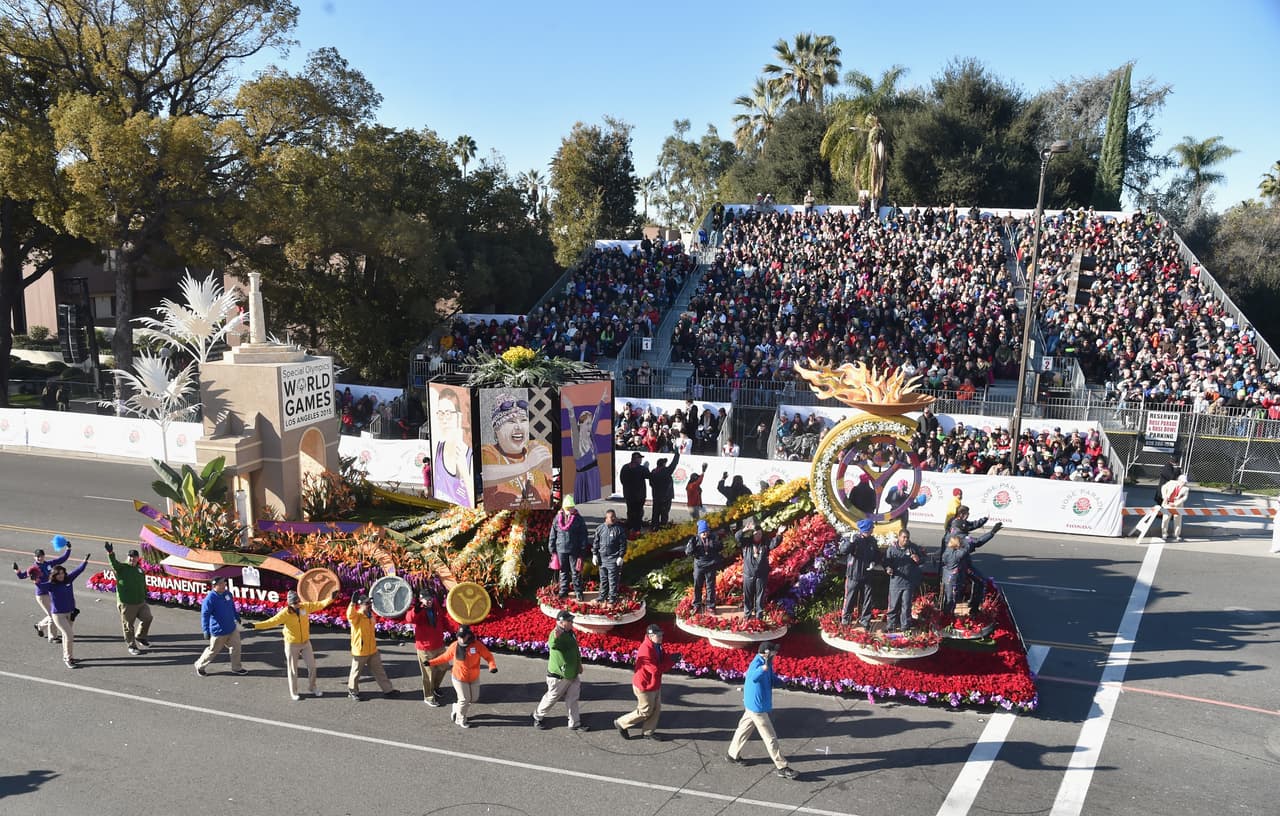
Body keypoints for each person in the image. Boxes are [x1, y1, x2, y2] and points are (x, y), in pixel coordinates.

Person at [243, 588, 336, 700]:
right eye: (294, 603)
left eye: (298, 601)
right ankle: (294, 692)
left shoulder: (305, 607)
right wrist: (254, 626)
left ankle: (312, 687)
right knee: (292, 669)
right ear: (289, 604)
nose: (297, 604)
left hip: (306, 643)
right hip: (292, 644)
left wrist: (331, 598)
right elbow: (271, 622)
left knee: (312, 667)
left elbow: (320, 604)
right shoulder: (285, 613)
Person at [725, 641, 796, 780]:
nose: (776, 653)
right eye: (774, 651)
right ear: (767, 653)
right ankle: (781, 766)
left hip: (753, 705)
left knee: (743, 729)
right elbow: (753, 677)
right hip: (757, 708)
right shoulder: (758, 665)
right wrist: (764, 668)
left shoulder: (767, 663)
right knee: (770, 738)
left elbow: (770, 678)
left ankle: (732, 754)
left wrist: (782, 682)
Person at [481, 394, 553, 509]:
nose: (519, 427)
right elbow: (487, 474)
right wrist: (527, 465)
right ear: (497, 430)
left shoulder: (537, 448)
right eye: (511, 421)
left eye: (523, 420)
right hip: (503, 522)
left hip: (541, 520)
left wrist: (549, 468)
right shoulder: (488, 451)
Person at [614, 624, 681, 741]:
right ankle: (621, 722)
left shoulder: (657, 645)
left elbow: (663, 658)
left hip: (654, 684)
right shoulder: (645, 650)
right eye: (658, 635)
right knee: (645, 711)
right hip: (645, 686)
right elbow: (655, 670)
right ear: (650, 636)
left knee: (656, 708)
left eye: (661, 635)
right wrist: (671, 662)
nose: (661, 637)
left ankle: (648, 732)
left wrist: (671, 657)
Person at [428, 624, 497, 728]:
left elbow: (488, 656)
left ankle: (456, 707)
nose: (460, 638)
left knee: (473, 699)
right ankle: (460, 718)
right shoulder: (455, 646)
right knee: (464, 699)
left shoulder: (477, 645)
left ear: (469, 635)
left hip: (473, 677)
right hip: (459, 678)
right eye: (459, 636)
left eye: (463, 636)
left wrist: (492, 666)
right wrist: (430, 662)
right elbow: (445, 657)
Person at [532, 610, 587, 731]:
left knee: (573, 698)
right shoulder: (556, 633)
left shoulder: (570, 633)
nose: (572, 622)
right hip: (559, 676)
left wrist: (579, 665)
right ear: (561, 622)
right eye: (569, 621)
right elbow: (552, 644)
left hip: (572, 673)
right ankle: (537, 716)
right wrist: (555, 638)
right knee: (552, 697)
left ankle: (574, 723)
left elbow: (575, 650)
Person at [36, 551, 91, 668]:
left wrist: (85, 561)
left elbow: (79, 570)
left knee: (67, 637)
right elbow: (40, 585)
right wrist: (35, 579)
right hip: (58, 615)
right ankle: (67, 658)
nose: (61, 575)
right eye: (58, 574)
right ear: (54, 575)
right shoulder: (51, 584)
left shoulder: (68, 579)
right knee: (69, 635)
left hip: (70, 613)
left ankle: (69, 656)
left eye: (62, 573)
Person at [13, 539, 72, 642]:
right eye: (37, 556)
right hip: (41, 595)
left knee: (52, 615)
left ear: (44, 556)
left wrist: (68, 549)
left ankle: (39, 626)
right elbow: (22, 576)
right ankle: (52, 637)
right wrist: (17, 571)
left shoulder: (49, 564)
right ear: (34, 557)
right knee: (52, 615)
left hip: (50, 592)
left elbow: (62, 559)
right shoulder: (33, 568)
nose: (40, 558)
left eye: (41, 555)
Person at [346, 591, 398, 701]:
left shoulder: (370, 615)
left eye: (370, 603)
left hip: (372, 649)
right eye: (367, 603)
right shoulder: (357, 616)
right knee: (355, 673)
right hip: (360, 650)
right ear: (360, 605)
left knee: (379, 671)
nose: (369, 605)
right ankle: (352, 691)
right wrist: (352, 604)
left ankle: (388, 690)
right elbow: (350, 615)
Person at [404, 588, 451, 705]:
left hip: (439, 645)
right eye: (426, 599)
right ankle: (429, 697)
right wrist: (417, 610)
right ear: (420, 599)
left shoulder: (435, 605)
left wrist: (452, 630)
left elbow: (441, 619)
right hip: (425, 648)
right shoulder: (417, 609)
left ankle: (434, 687)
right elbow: (409, 618)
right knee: (428, 673)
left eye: (430, 599)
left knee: (444, 667)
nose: (429, 601)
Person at [104, 542, 152, 655]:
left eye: (134, 557)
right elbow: (113, 563)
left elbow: (142, 583)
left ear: (138, 558)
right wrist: (110, 553)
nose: (132, 559)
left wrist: (145, 594)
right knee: (128, 626)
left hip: (140, 602)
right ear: (127, 557)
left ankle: (140, 636)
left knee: (148, 618)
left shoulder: (140, 570)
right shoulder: (122, 567)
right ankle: (132, 645)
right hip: (127, 603)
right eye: (130, 557)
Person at [195, 576, 249, 676]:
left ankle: (236, 668)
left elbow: (232, 606)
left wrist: (237, 617)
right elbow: (205, 615)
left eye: (224, 583)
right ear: (214, 586)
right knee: (213, 651)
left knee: (236, 647)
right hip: (218, 631)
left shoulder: (227, 594)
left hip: (231, 628)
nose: (224, 585)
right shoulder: (210, 599)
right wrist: (206, 631)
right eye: (221, 584)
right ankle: (200, 665)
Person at [432, 387, 474, 507]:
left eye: (449, 414)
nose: (444, 419)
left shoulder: (469, 455)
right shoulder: (438, 449)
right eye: (440, 414)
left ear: (458, 417)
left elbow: (475, 503)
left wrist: (464, 471)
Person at [564, 392, 609, 503]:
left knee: (596, 503)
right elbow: (573, 427)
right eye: (587, 423)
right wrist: (570, 410)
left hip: (595, 475)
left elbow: (596, 418)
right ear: (581, 424)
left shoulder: (591, 436)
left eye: (590, 423)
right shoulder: (576, 443)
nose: (590, 426)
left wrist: (602, 401)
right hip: (585, 478)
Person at [838, 519, 881, 626]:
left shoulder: (872, 541)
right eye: (871, 528)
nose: (872, 530)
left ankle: (865, 619)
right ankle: (846, 618)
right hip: (854, 574)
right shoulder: (854, 539)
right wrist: (850, 543)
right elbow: (843, 551)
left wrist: (874, 562)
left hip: (867, 574)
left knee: (867, 598)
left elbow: (877, 555)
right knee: (850, 598)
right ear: (865, 530)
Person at [547, 494, 589, 600]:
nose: (571, 509)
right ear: (564, 508)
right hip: (561, 549)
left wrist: (583, 548)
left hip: (574, 549)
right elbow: (553, 534)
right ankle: (563, 591)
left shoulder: (578, 519)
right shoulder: (557, 518)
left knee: (575, 572)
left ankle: (578, 592)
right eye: (569, 508)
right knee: (563, 571)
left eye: (572, 507)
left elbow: (583, 534)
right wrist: (551, 548)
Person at [737, 517, 779, 619]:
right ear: (752, 534)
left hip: (761, 575)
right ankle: (747, 615)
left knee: (760, 597)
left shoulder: (765, 543)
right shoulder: (746, 542)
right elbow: (737, 537)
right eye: (756, 534)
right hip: (748, 575)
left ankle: (759, 616)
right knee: (748, 596)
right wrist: (744, 530)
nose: (758, 536)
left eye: (759, 534)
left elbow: (774, 543)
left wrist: (779, 534)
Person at [883, 529, 925, 632]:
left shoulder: (913, 548)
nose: (906, 539)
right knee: (893, 606)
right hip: (896, 582)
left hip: (908, 582)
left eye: (907, 537)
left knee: (906, 606)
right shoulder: (892, 549)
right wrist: (888, 568)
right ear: (899, 537)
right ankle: (890, 626)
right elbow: (886, 562)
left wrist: (918, 559)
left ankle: (905, 626)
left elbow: (923, 559)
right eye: (904, 537)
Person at [685, 520, 722, 614]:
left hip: (710, 565)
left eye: (707, 531)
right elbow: (688, 552)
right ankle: (697, 604)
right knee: (697, 585)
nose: (705, 533)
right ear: (699, 532)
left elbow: (720, 547)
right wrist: (692, 545)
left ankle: (711, 606)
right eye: (703, 532)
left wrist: (716, 543)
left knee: (710, 586)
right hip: (699, 566)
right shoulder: (695, 539)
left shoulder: (713, 538)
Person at [592, 510, 627, 603]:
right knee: (603, 579)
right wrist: (594, 554)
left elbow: (623, 545)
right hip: (602, 559)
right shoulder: (600, 529)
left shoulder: (619, 530)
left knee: (612, 580)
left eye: (614, 517)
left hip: (613, 559)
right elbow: (595, 542)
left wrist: (620, 556)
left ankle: (612, 598)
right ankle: (602, 596)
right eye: (610, 517)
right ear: (606, 518)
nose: (613, 519)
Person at [647, 450, 680, 527]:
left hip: (656, 496)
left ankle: (654, 527)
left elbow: (651, 484)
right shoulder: (666, 471)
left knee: (655, 513)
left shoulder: (653, 472)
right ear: (663, 464)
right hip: (666, 497)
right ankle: (662, 529)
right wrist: (677, 454)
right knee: (664, 514)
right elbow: (674, 464)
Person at [619, 452, 649, 532]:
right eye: (640, 458)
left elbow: (622, 480)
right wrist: (647, 468)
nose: (641, 460)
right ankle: (636, 528)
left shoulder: (625, 467)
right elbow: (649, 476)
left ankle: (630, 526)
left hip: (628, 494)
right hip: (639, 495)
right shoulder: (641, 468)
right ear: (637, 459)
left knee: (630, 511)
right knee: (638, 512)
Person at [1160, 474, 1189, 542]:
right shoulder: (1171, 483)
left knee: (1178, 520)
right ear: (1179, 480)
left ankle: (1177, 534)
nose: (1184, 483)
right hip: (1167, 504)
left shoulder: (1186, 489)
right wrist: (1164, 496)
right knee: (1165, 519)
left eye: (1185, 482)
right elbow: (1163, 487)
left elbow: (1184, 498)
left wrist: (1175, 503)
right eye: (1182, 482)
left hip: (1177, 506)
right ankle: (1164, 534)